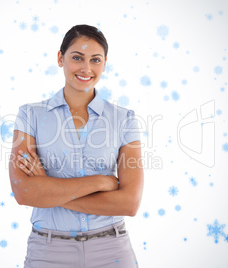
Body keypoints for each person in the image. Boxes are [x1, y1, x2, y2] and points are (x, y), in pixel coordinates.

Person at [9, 24, 144, 268]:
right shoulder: (30, 116)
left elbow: (129, 203)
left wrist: (48, 191)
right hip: (48, 252)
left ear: (104, 63)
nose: (86, 68)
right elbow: (23, 192)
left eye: (95, 60)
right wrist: (101, 182)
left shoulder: (125, 120)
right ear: (60, 58)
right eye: (77, 58)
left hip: (111, 249)